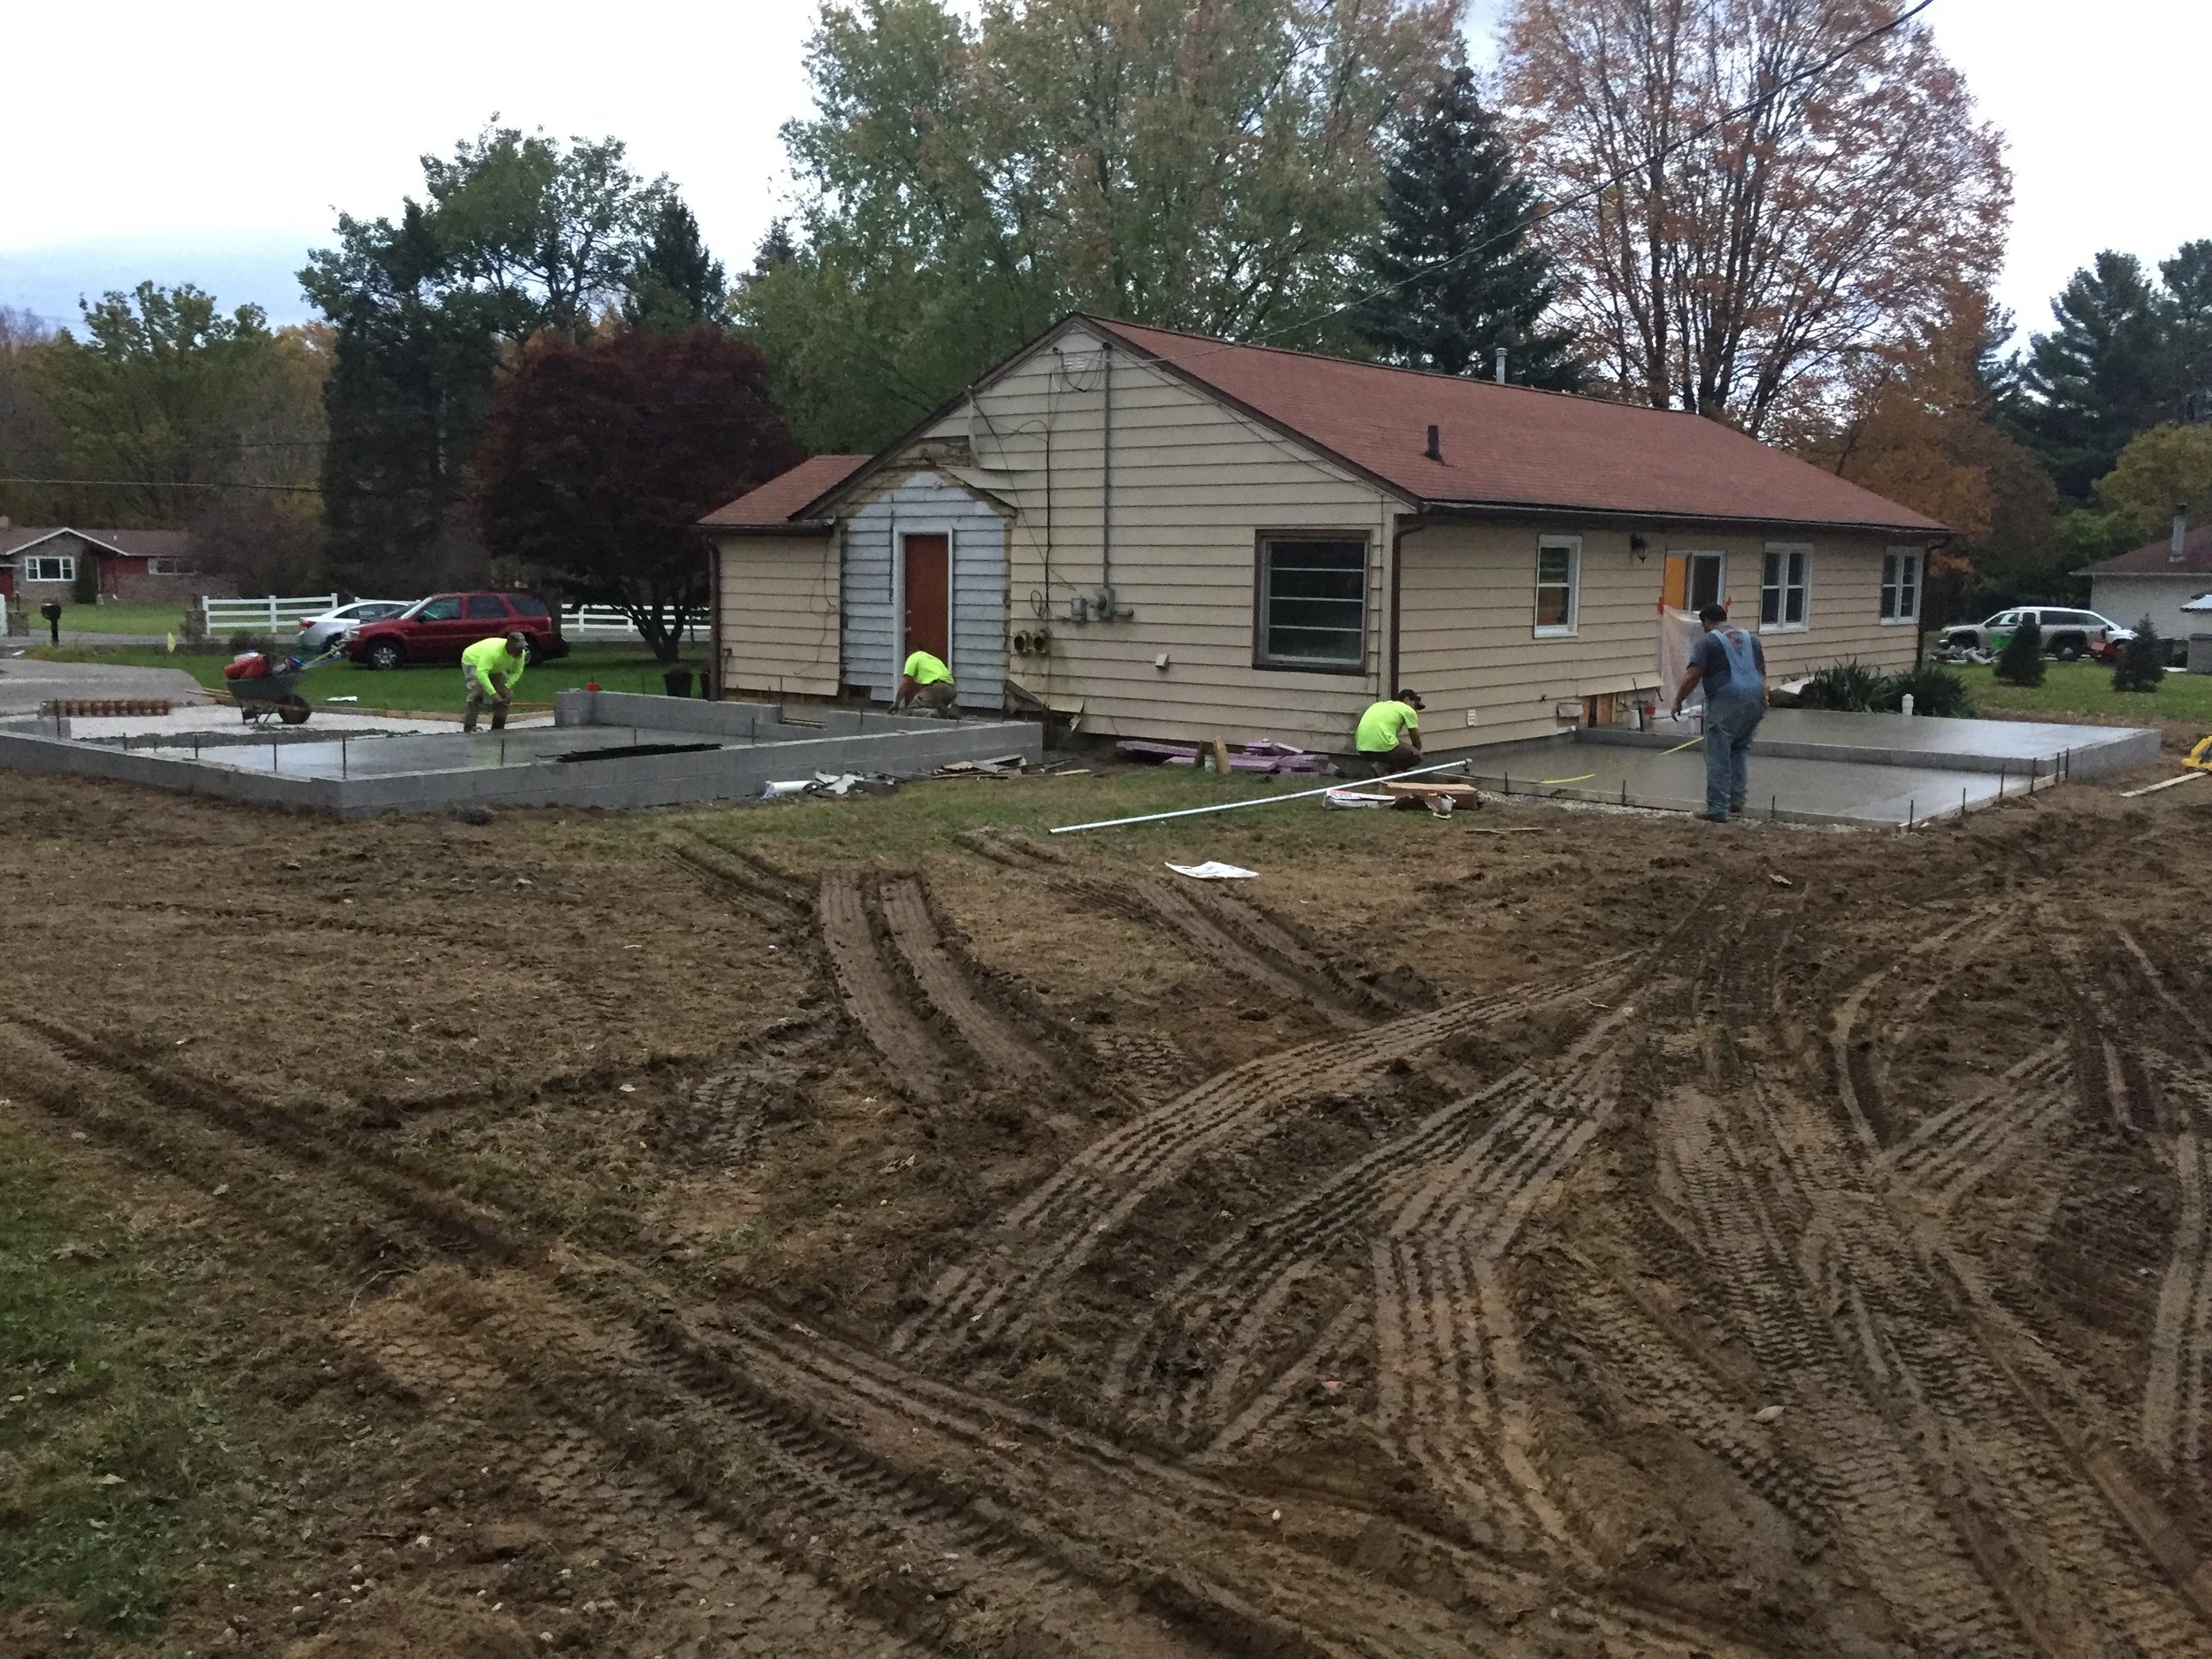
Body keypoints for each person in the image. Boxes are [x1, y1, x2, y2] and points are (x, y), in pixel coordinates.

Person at [1671, 603, 1767, 820]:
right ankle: (1736, 801)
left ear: (1706, 622)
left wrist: (1678, 701)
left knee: (1718, 753)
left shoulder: (1708, 641)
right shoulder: (1751, 639)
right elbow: (1761, 670)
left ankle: (1716, 808)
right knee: (1740, 749)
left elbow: (1693, 674)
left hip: (1727, 699)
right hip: (1755, 698)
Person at [461, 630, 530, 733]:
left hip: (495, 667)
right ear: (509, 645)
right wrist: (493, 694)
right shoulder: (493, 652)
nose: (520, 651)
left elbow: (517, 671)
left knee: (506, 695)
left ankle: (498, 727)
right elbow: (481, 673)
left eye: (521, 648)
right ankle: (469, 726)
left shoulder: (520, 654)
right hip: (473, 661)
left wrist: (506, 686)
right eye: (517, 648)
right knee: (477, 694)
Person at [1355, 689, 1425, 776]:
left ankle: (1383, 775)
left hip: (1362, 747)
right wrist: (1413, 753)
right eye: (1415, 705)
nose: (1415, 710)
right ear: (1407, 700)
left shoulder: (1378, 705)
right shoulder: (1407, 710)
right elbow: (1416, 740)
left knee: (1392, 747)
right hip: (1383, 745)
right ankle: (1382, 768)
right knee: (1417, 756)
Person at [895, 649, 956, 714]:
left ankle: (936, 712)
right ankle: (947, 712)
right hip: (950, 691)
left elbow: (905, 682)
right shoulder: (932, 659)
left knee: (909, 711)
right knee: (927, 707)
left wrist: (896, 703)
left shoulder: (913, 658)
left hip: (936, 687)